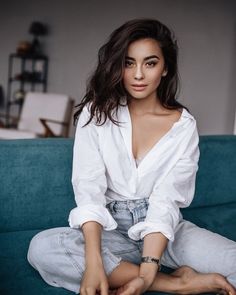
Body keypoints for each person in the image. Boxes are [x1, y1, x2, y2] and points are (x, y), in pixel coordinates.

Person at [27, 19, 236, 295]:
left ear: (165, 69)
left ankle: (143, 275)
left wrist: (147, 272)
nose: (138, 74)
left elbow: (166, 200)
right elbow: (89, 188)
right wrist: (94, 261)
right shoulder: (97, 113)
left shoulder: (183, 126)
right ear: (118, 66)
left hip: (164, 231)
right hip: (110, 231)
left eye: (150, 63)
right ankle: (176, 283)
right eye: (128, 63)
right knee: (41, 248)